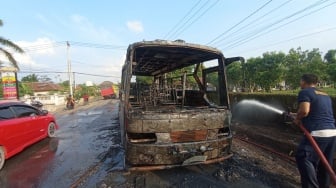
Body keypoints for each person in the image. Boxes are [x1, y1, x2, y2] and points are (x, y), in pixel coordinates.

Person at [294, 74, 336, 188]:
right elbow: (320, 111)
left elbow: (304, 110)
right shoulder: (325, 94)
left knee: (303, 157)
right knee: (325, 163)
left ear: (303, 81)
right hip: (332, 132)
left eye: (300, 81)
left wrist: (297, 119)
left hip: (317, 133)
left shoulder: (305, 92)